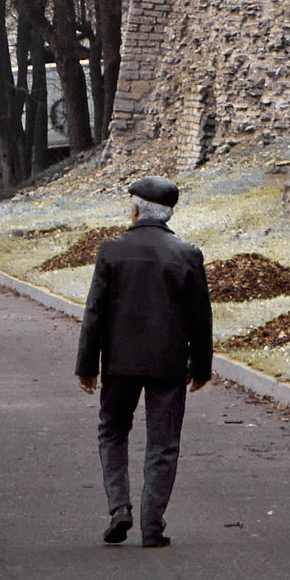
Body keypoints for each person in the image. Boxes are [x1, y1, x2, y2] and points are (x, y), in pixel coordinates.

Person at [75, 174, 213, 547]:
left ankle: (119, 507)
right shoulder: (187, 254)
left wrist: (86, 366)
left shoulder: (111, 251)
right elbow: (201, 317)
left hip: (119, 364)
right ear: (168, 214)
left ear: (135, 210)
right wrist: (201, 367)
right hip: (169, 365)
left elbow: (95, 312)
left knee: (112, 431)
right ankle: (153, 526)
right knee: (163, 443)